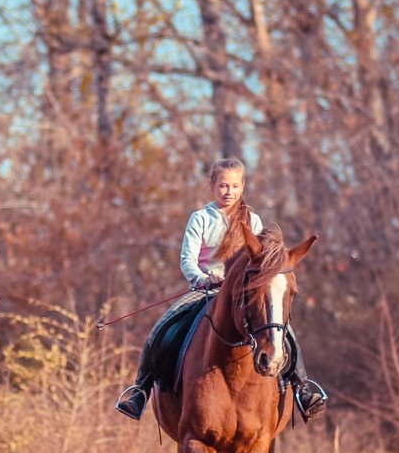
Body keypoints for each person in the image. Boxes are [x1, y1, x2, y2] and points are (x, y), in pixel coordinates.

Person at [114, 157, 328, 422]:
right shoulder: (201, 218)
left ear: (243, 187)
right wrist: (201, 277)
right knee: (163, 326)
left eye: (235, 186)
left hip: (243, 295)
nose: (229, 192)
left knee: (281, 329)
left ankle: (302, 387)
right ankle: (140, 390)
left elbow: (262, 262)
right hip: (206, 290)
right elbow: (187, 260)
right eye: (224, 186)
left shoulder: (253, 220)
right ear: (213, 186)